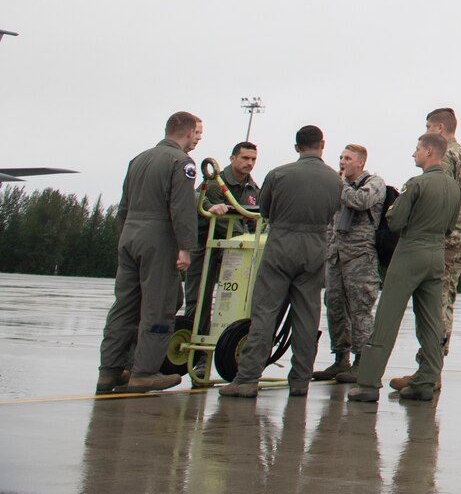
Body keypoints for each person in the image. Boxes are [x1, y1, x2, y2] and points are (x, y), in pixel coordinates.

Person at [218, 126, 344, 399]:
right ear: (322, 144)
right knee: (307, 316)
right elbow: (334, 210)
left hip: (281, 243)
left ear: (296, 147)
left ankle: (247, 378)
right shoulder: (335, 180)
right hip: (315, 246)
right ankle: (300, 381)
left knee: (265, 313)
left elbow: (265, 209)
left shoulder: (278, 174)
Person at [349, 133, 461, 403]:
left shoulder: (417, 184)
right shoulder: (455, 188)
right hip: (436, 255)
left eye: (417, 149)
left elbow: (396, 221)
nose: (414, 154)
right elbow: (450, 226)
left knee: (386, 319)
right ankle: (426, 380)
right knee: (431, 322)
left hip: (410, 251)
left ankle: (368, 383)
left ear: (430, 152)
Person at [96, 111, 203, 393]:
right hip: (159, 238)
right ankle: (144, 373)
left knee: (124, 307)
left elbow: (123, 206)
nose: (198, 139)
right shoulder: (182, 163)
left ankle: (109, 371)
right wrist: (185, 248)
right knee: (159, 306)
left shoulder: (139, 159)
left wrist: (124, 240)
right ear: (188, 132)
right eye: (198, 134)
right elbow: (181, 209)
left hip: (130, 235)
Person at [311, 143, 385, 384]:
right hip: (335, 257)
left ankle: (362, 360)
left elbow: (361, 201)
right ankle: (340, 358)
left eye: (348, 158)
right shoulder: (338, 186)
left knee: (360, 310)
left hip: (360, 259)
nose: (342, 162)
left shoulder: (373, 183)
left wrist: (339, 185)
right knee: (334, 307)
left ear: (360, 162)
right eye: (341, 157)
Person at [184, 139, 260, 324]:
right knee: (199, 296)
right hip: (205, 243)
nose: (249, 163)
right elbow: (219, 218)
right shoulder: (215, 183)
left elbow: (253, 219)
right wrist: (247, 238)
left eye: (253, 159)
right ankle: (194, 336)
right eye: (245, 158)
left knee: (239, 294)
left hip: (236, 246)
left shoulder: (253, 189)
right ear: (233, 158)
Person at [427, 107, 461, 352]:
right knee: (446, 299)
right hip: (460, 238)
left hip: (444, 240)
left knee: (436, 301)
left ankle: (430, 366)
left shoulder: (446, 156)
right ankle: (433, 366)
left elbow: (437, 196)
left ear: (439, 128)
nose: (426, 132)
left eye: (428, 127)